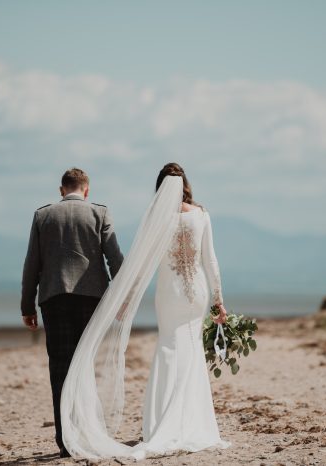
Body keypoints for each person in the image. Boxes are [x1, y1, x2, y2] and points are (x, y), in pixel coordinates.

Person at [60, 162, 230, 460]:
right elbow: (210, 261)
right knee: (191, 351)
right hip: (197, 294)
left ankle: (163, 422)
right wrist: (219, 299)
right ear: (185, 184)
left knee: (168, 348)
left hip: (169, 295)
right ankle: (193, 421)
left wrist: (125, 300)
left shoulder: (157, 217)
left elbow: (141, 265)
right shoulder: (202, 215)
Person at [20, 167, 124, 458]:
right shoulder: (99, 214)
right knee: (84, 365)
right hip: (92, 299)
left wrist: (27, 306)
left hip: (53, 298)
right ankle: (88, 433)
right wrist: (123, 297)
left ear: (61, 190)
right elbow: (115, 258)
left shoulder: (43, 216)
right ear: (87, 190)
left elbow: (32, 264)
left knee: (60, 370)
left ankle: (66, 440)